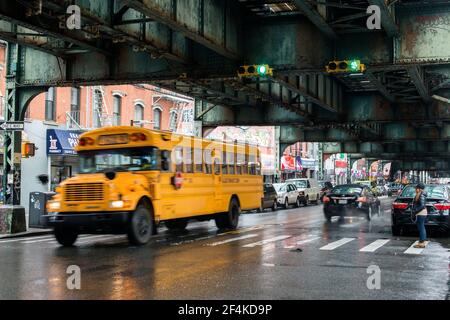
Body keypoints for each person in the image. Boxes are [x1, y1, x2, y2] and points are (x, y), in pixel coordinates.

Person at [412, 183, 428, 248]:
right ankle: (422, 241)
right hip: (420, 212)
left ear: (419, 189)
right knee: (421, 227)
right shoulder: (420, 194)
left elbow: (422, 205)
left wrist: (415, 211)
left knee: (421, 227)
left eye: (416, 188)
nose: (415, 189)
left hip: (421, 213)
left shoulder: (421, 195)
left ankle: (421, 243)